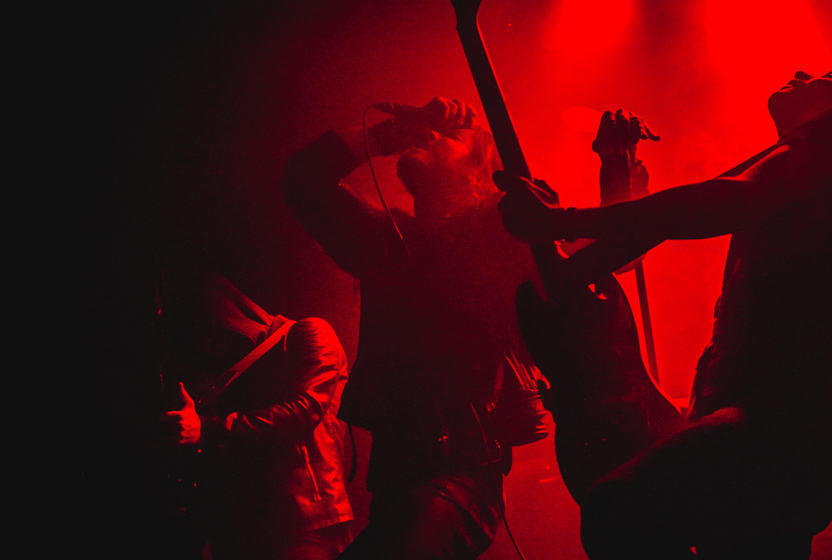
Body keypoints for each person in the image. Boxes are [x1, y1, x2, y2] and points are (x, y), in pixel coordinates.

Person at [495, 69, 832, 558]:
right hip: (796, 433)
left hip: (784, 425)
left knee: (617, 507)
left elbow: (717, 202)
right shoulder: (815, 174)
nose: (802, 73)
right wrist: (572, 248)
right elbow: (667, 223)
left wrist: (556, 223)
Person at [283, 97, 549, 559]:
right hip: (395, 480)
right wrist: (386, 135)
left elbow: (592, 254)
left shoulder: (500, 238)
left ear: (476, 178)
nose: (432, 133)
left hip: (463, 478)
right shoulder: (389, 241)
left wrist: (615, 171)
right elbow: (304, 180)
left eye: (452, 137)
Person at [160, 275, 354, 560]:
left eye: (209, 333)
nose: (209, 347)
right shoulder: (230, 373)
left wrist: (207, 429)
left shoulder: (309, 332)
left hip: (305, 523)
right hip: (249, 529)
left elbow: (303, 411)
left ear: (228, 311)